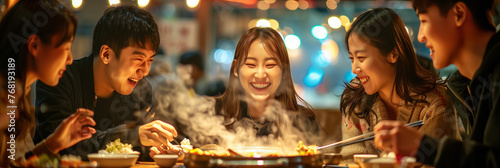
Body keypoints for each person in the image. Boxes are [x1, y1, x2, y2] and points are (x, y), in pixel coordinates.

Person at [149, 27, 322, 157]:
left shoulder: (302, 121)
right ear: (236, 69)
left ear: (283, 71)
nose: (260, 74)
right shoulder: (211, 114)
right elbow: (191, 153)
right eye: (251, 64)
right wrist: (175, 152)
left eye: (270, 65)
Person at [34, 5, 178, 160]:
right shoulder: (60, 79)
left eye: (150, 60)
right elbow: (64, 149)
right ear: (106, 54)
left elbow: (136, 147)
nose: (145, 71)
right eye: (138, 60)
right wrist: (132, 135)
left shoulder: (140, 90)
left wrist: (154, 149)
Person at [374, 0, 500, 167]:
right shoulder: (468, 86)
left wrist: (421, 145)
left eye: (424, 21)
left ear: (459, 14)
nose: (420, 36)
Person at [340, 8, 461, 163]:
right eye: (352, 59)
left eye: (361, 57)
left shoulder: (434, 105)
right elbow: (350, 159)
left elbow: (431, 163)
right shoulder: (355, 97)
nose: (354, 69)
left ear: (393, 54)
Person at [0, 0, 96, 166]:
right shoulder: (5, 96)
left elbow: (11, 163)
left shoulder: (18, 90)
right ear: (35, 44)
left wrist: (53, 144)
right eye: (66, 48)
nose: (70, 59)